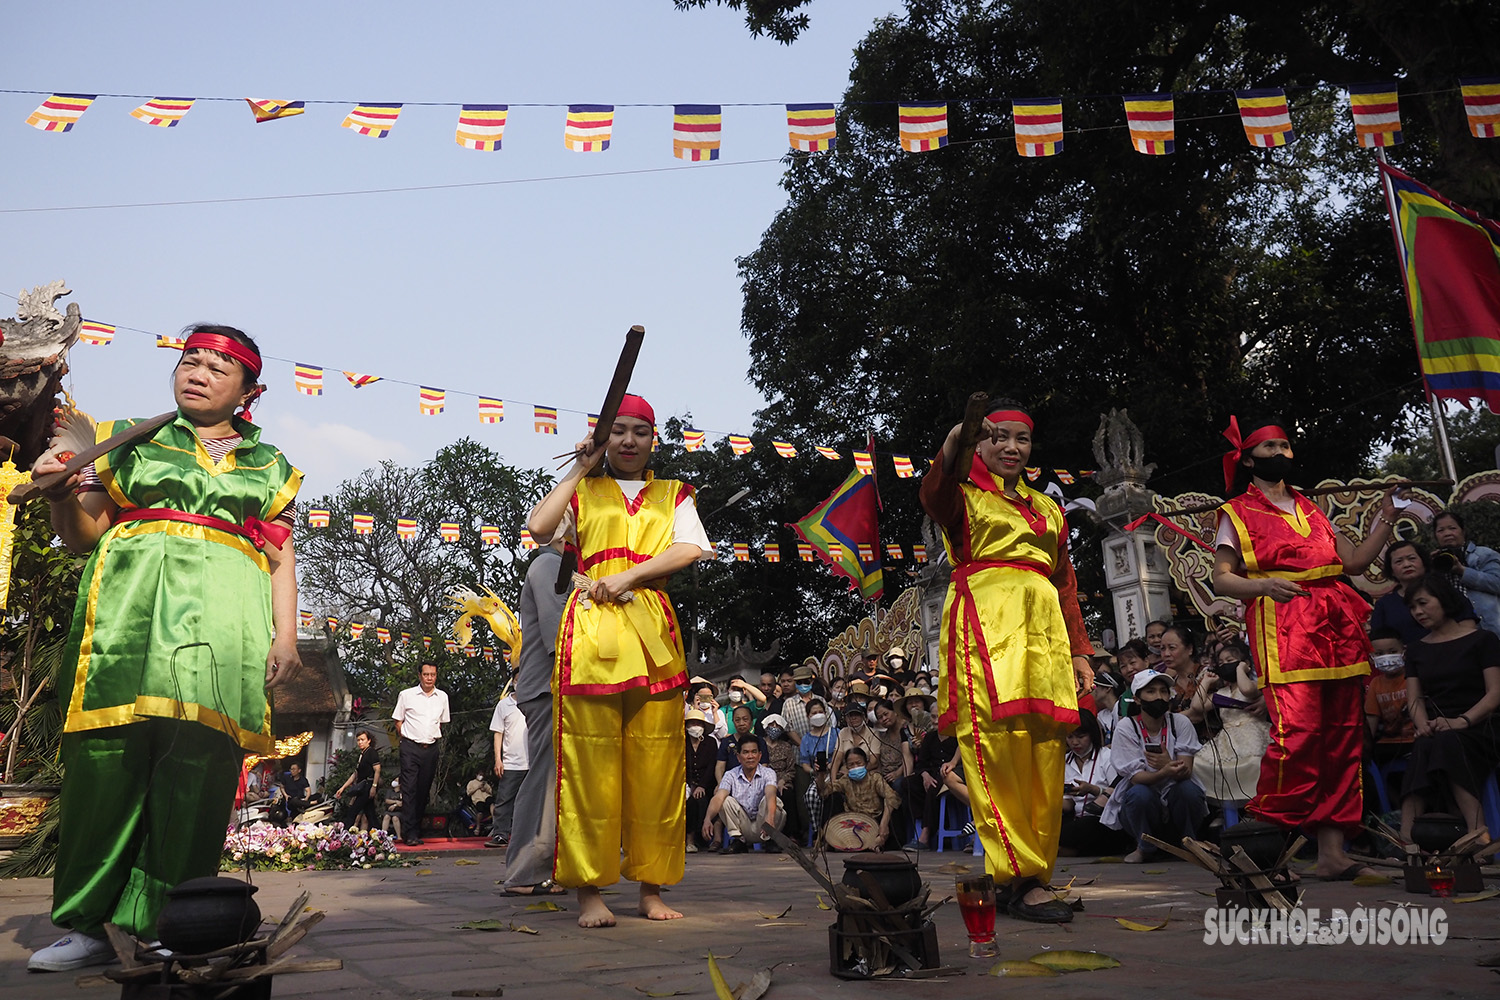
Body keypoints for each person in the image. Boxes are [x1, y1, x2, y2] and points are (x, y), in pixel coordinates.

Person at [27, 324, 301, 973]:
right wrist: (63, 497)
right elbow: (83, 534)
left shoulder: (271, 466)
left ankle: (171, 922)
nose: (197, 372)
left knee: (198, 775)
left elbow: (280, 553)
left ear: (248, 390)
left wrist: (285, 635)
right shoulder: (126, 439)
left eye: (216, 366)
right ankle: (90, 927)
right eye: (189, 360)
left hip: (224, 630)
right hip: (125, 622)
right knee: (106, 765)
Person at [526, 393, 711, 927]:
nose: (629, 441)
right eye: (619, 431)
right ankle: (589, 894)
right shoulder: (584, 490)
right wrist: (581, 466)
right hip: (591, 632)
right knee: (589, 765)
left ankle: (651, 891)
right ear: (605, 438)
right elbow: (540, 529)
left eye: (641, 432)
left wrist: (629, 576)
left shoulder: (673, 493)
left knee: (658, 764)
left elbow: (689, 549)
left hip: (651, 628)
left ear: (655, 439)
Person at [918, 398, 1094, 924]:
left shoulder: (1048, 508)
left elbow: (1065, 584)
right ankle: (1014, 874)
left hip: (1043, 636)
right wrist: (954, 438)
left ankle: (1035, 873)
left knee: (1044, 750)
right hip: (984, 629)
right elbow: (933, 494)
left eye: (1021, 439)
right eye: (998, 437)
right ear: (980, 443)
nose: (1012, 447)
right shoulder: (963, 498)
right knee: (994, 747)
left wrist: (1083, 651)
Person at [1210, 414, 1397, 881]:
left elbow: (1351, 562)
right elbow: (1222, 576)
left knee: (1342, 739)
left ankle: (1333, 852)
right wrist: (1264, 585)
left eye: (1286, 446)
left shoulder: (1313, 510)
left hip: (1336, 625)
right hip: (1285, 627)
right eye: (1270, 447)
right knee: (1298, 737)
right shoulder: (1236, 513)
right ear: (1248, 458)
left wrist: (1384, 524)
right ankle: (1264, 839)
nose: (1281, 454)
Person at [1399, 573, 1500, 843]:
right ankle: (1408, 838)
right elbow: (1415, 699)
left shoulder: (1483, 640)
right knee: (1424, 745)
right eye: (1412, 607)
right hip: (1439, 726)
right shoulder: (1417, 650)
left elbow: (1495, 694)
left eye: (1423, 603)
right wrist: (1422, 726)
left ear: (1443, 599)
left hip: (1482, 725)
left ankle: (1478, 833)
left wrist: (1463, 721)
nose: (1418, 612)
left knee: (1448, 742)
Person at [502, 528, 570, 896]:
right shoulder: (548, 565)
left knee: (559, 777)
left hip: (558, 685)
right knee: (546, 775)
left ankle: (557, 865)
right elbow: (557, 632)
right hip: (550, 685)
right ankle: (525, 871)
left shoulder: (566, 567)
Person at [1101, 672, 1207, 862]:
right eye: (1151, 691)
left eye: (1163, 691)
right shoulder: (1127, 727)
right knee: (1139, 793)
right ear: (1137, 699)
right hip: (1143, 800)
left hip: (1175, 794)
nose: (1159, 697)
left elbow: (1186, 770)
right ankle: (1144, 848)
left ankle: (1190, 845)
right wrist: (1165, 771)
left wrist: (1167, 765)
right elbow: (1135, 777)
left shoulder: (1180, 722)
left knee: (1188, 790)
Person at [1190, 642, 1270, 808]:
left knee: (1254, 764)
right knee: (1200, 763)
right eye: (1221, 663)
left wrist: (1241, 669)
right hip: (1228, 740)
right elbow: (1197, 707)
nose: (1225, 665)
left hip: (1253, 735)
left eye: (1230, 660)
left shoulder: (1253, 685)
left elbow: (1247, 690)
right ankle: (1226, 807)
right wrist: (1206, 682)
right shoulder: (1221, 694)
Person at [1059, 710, 1133, 856]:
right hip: (1074, 820)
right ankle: (1068, 849)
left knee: (1088, 826)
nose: (1075, 742)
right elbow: (1067, 804)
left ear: (1092, 734)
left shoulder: (1107, 757)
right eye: (1070, 737)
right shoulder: (1062, 762)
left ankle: (1064, 849)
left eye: (1081, 737)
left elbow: (1119, 793)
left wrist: (1092, 790)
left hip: (1101, 821)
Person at [392, 663, 450, 847]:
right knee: (409, 789)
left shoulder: (442, 697)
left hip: (431, 748)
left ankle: (416, 828)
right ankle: (410, 833)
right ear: (419, 675)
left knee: (423, 790)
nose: (429, 678)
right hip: (410, 747)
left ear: (436, 675)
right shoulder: (407, 695)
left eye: (432, 674)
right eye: (426, 674)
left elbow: (441, 723)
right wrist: (408, 739)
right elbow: (398, 721)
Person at [704, 734, 783, 851]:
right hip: (744, 826)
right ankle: (738, 840)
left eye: (754, 752)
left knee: (773, 801)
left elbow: (771, 793)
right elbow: (719, 797)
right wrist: (707, 819)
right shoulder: (730, 774)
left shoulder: (768, 773)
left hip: (766, 823)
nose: (750, 756)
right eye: (745, 752)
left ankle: (770, 840)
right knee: (725, 801)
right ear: (738, 757)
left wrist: (770, 818)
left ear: (760, 755)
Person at [814, 746, 900, 849]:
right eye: (851, 765)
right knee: (833, 798)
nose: (855, 767)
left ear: (866, 763)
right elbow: (824, 792)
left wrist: (884, 824)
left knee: (893, 815)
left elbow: (892, 797)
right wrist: (821, 775)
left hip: (875, 821)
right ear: (847, 767)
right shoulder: (845, 780)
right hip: (852, 823)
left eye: (858, 763)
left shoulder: (875, 778)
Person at [1434, 509, 1500, 637]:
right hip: (1456, 633)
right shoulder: (1435, 562)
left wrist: (1462, 571)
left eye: (1452, 528)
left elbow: (1497, 583)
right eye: (1441, 530)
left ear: (1463, 531)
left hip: (1490, 629)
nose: (1447, 533)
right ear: (1435, 536)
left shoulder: (1483, 554)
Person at [1369, 539, 1441, 645]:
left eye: (1412, 558)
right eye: (1399, 561)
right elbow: (1378, 640)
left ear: (1423, 562)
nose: (1406, 565)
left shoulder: (1443, 592)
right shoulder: (1384, 605)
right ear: (1391, 571)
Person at [1365, 627, 1416, 763]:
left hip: (1415, 740)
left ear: (1403, 652)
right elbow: (1371, 719)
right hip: (1386, 743)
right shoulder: (1375, 684)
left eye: (1393, 652)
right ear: (1371, 657)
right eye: (1379, 653)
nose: (1386, 657)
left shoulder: (1414, 677)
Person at [487, 691, 528, 848]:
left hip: (533, 761)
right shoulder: (504, 705)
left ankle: (528, 837)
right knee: (504, 800)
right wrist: (498, 759)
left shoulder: (536, 702)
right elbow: (498, 733)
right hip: (511, 763)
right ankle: (500, 834)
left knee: (532, 801)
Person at [798, 696, 839, 838]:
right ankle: (818, 830)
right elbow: (804, 764)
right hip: (818, 776)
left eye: (820, 711)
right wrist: (813, 771)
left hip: (835, 774)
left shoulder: (836, 733)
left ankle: (834, 829)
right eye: (814, 713)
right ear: (808, 716)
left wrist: (832, 765)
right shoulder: (806, 739)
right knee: (810, 796)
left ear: (826, 713)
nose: (817, 715)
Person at [685, 708, 720, 852]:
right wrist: (688, 784)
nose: (695, 727)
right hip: (685, 783)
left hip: (706, 784)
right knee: (689, 801)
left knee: (702, 799)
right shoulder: (681, 742)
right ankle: (689, 840)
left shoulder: (711, 742)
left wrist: (702, 786)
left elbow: (712, 766)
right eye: (691, 723)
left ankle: (701, 838)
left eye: (698, 723)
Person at [335, 730, 383, 831]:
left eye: (362, 740)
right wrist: (343, 787)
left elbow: (377, 770)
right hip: (363, 785)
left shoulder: (371, 752)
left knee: (353, 811)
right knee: (370, 813)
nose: (360, 742)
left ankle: (345, 833)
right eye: (358, 740)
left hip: (368, 785)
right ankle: (380, 835)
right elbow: (355, 774)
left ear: (368, 740)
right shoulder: (362, 754)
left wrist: (374, 786)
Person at [716, 704, 768, 784]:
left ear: (751, 721)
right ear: (733, 721)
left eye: (745, 719)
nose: (741, 723)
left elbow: (764, 764)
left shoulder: (759, 741)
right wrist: (720, 784)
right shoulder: (726, 742)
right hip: (731, 783)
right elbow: (720, 766)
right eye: (737, 720)